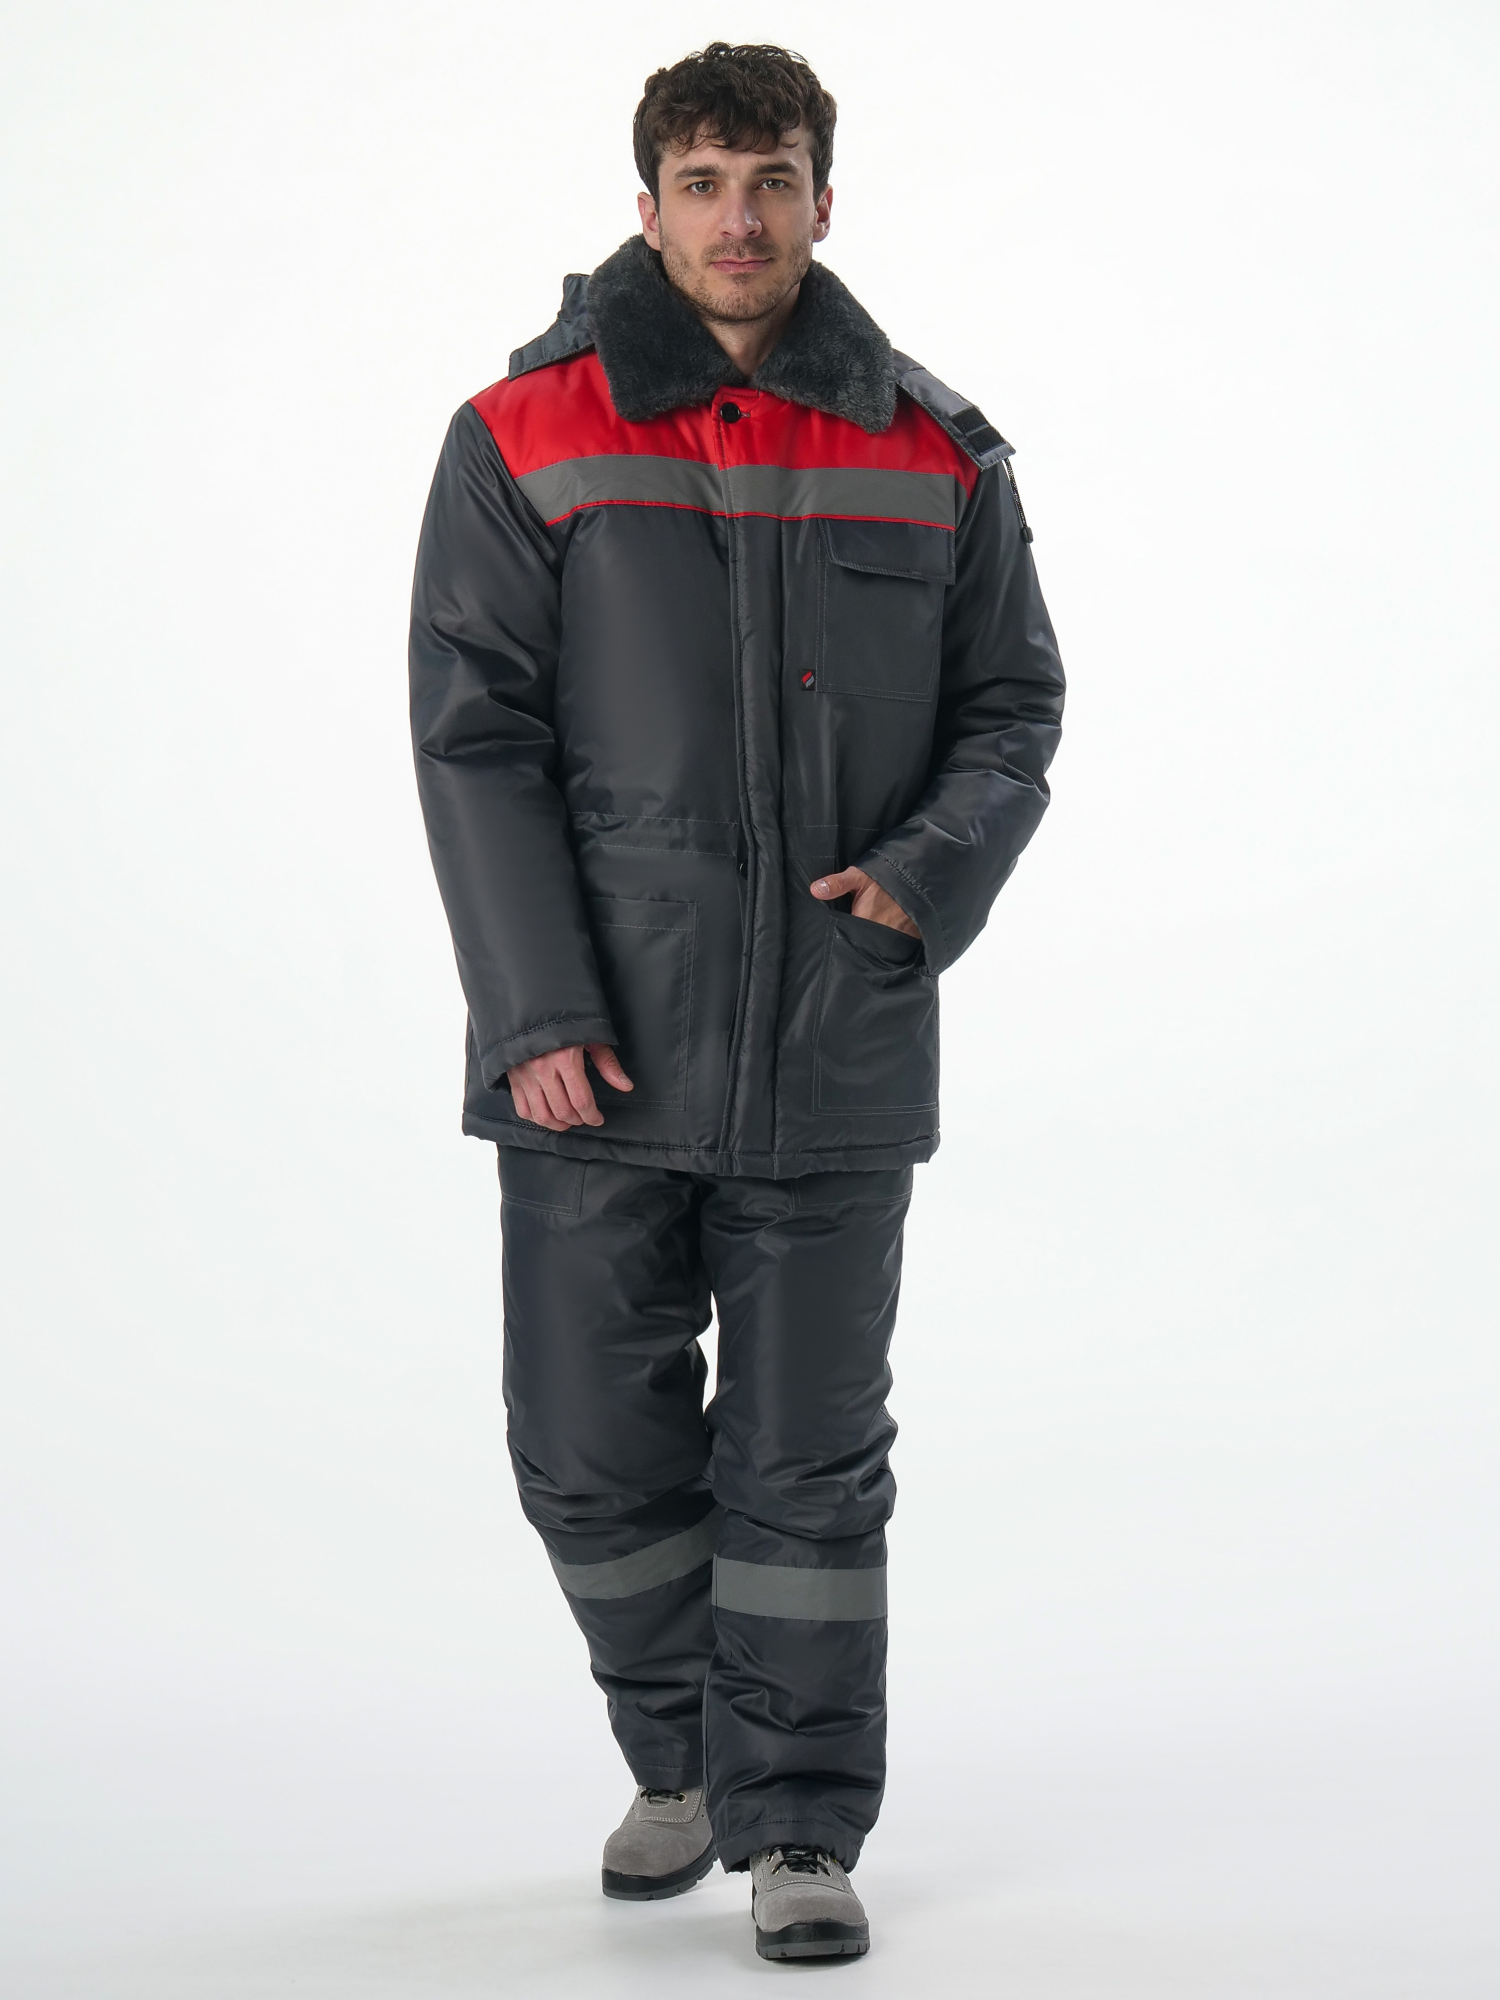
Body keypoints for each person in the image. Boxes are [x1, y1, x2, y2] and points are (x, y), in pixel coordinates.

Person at [409, 41, 1064, 1964]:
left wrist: (923, 880)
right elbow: (473, 736)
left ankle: (795, 1827)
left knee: (805, 1466)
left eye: (772, 179)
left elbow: (1014, 705)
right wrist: (533, 1010)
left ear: (823, 201)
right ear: (647, 206)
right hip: (591, 1052)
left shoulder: (937, 452)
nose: (740, 218)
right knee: (581, 1450)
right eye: (703, 182)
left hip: (833, 1041)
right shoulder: (521, 433)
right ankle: (683, 1753)